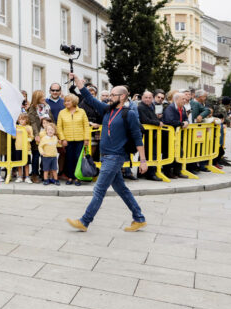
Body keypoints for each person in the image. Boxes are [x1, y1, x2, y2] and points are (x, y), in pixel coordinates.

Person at [66, 73, 148, 232]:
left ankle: (84, 221)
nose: (109, 97)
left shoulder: (129, 113)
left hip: (115, 157)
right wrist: (78, 82)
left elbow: (138, 138)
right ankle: (139, 218)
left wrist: (143, 160)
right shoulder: (107, 110)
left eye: (113, 95)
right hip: (106, 156)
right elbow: (90, 99)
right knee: (121, 189)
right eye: (109, 94)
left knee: (99, 189)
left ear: (123, 96)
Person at [57, 94, 90, 186]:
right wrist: (63, 139)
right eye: (65, 101)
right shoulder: (62, 112)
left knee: (78, 159)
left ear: (74, 102)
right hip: (68, 140)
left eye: (68, 101)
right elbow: (59, 127)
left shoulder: (82, 111)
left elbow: (86, 126)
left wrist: (86, 138)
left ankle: (77, 178)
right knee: (69, 159)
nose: (66, 103)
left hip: (80, 140)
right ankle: (70, 177)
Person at [27, 89, 54, 183]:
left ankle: (44, 173)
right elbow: (33, 123)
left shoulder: (47, 106)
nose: (44, 98)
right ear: (37, 98)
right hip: (38, 134)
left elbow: (51, 119)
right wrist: (36, 134)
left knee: (45, 155)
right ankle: (34, 174)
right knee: (36, 155)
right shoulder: (32, 108)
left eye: (43, 96)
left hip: (47, 134)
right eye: (41, 96)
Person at [162, 93, 189, 179]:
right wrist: (181, 124)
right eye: (183, 99)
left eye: (185, 99)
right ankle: (167, 172)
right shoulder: (170, 108)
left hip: (178, 136)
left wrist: (186, 122)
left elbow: (185, 118)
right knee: (168, 153)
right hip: (168, 135)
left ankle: (178, 172)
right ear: (176, 100)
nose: (185, 101)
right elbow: (169, 121)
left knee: (180, 152)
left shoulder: (183, 108)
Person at [137, 91, 163, 181]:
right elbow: (145, 120)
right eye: (146, 97)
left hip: (151, 134)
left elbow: (152, 118)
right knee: (151, 154)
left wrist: (157, 120)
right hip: (147, 134)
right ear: (142, 98)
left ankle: (142, 173)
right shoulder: (140, 107)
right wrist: (158, 123)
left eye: (149, 98)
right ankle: (151, 174)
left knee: (148, 153)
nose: (148, 99)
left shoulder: (150, 106)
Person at [13, 113, 33, 183]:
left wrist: (27, 136)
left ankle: (27, 177)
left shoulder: (29, 127)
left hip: (26, 148)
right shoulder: (17, 127)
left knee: (26, 163)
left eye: (23, 119)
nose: (21, 121)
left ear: (26, 120)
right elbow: (13, 137)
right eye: (20, 119)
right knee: (19, 163)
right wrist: (14, 131)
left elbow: (31, 137)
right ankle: (20, 177)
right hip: (18, 147)